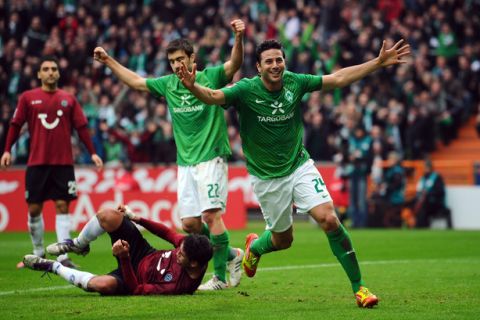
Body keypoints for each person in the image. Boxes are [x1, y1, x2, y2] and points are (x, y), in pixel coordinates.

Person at [178, 38, 411, 307]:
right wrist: (193, 86)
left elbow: (336, 79)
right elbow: (215, 96)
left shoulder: (295, 82)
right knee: (283, 240)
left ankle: (360, 288)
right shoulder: (245, 90)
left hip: (299, 165)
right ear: (258, 66)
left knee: (330, 220)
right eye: (269, 61)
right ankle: (255, 248)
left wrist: (378, 63)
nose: (275, 65)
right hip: (267, 178)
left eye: (279, 60)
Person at [92, 19, 246, 290]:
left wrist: (238, 37)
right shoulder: (167, 85)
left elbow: (234, 65)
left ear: (191, 58)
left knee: (211, 216)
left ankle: (220, 277)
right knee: (190, 225)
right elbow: (137, 82)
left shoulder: (210, 76)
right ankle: (232, 254)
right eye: (172, 61)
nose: (176, 65)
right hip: (185, 162)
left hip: (211, 156)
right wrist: (109, 61)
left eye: (180, 59)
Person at [0, 56, 103, 268]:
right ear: (39, 74)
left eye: (53, 69)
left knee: (62, 205)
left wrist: (92, 152)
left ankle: (63, 256)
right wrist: (7, 150)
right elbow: (15, 124)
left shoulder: (69, 99)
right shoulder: (28, 98)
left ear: (58, 73)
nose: (50, 72)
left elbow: (81, 127)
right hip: (37, 163)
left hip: (63, 163)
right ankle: (38, 252)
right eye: (45, 69)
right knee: (34, 209)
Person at [23, 205, 213, 295]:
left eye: (181, 254)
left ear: (194, 263)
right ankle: (79, 243)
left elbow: (137, 289)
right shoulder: (191, 248)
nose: (177, 251)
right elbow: (167, 233)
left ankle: (52, 266)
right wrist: (137, 218)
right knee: (108, 215)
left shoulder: (177, 287)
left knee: (102, 285)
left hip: (132, 276)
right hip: (144, 252)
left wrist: (124, 258)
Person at [413, 159, 451, 228]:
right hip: (425, 202)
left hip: (436, 203)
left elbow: (440, 191)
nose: (426, 169)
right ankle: (416, 225)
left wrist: (429, 194)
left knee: (423, 206)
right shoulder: (423, 178)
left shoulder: (437, 178)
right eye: (425, 167)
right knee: (416, 204)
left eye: (427, 167)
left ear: (431, 168)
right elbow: (419, 191)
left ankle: (421, 227)